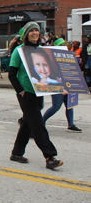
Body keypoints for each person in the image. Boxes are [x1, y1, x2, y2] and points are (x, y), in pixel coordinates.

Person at [8, 21, 63, 169]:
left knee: (27, 123)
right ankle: (50, 157)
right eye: (31, 31)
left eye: (37, 31)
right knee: (38, 125)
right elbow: (11, 74)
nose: (34, 33)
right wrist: (21, 91)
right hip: (26, 94)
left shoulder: (42, 50)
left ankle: (16, 153)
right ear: (26, 34)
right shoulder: (19, 50)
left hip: (39, 92)